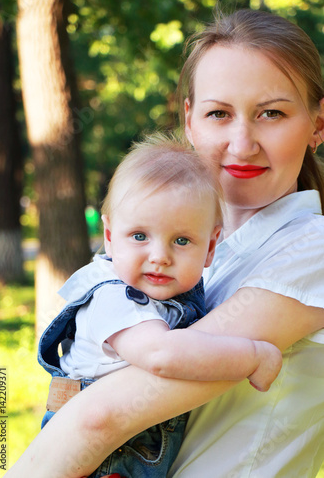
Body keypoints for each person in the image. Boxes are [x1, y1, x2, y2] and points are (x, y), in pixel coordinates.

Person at [5, 8, 324, 478]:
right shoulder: (192, 255)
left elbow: (103, 416)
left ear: (318, 124)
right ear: (190, 120)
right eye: (220, 113)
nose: (242, 143)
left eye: (271, 113)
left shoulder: (309, 248)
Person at [37, 135, 281, 478]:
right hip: (98, 461)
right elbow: (162, 355)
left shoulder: (178, 296)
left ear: (210, 248)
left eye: (181, 241)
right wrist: (253, 356)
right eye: (139, 236)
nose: (160, 256)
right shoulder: (113, 298)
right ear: (109, 237)